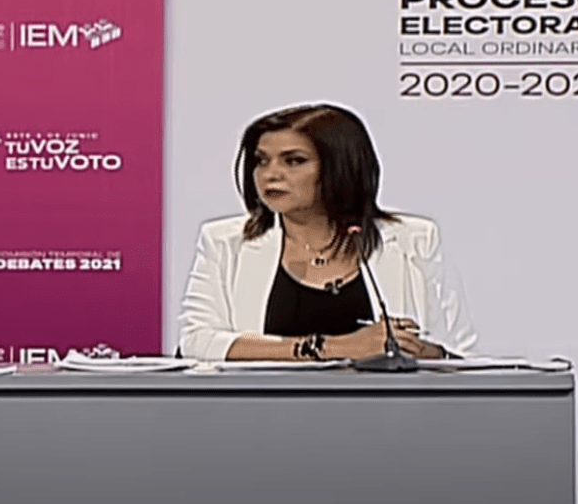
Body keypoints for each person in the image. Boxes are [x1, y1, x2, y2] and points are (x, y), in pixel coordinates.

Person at [178, 103, 478, 361]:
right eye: (261, 160)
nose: (271, 174)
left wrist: (419, 351)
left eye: (294, 161)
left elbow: (460, 353)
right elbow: (197, 341)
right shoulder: (225, 242)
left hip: (384, 407)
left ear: (340, 167)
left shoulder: (414, 240)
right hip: (263, 408)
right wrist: (336, 347)